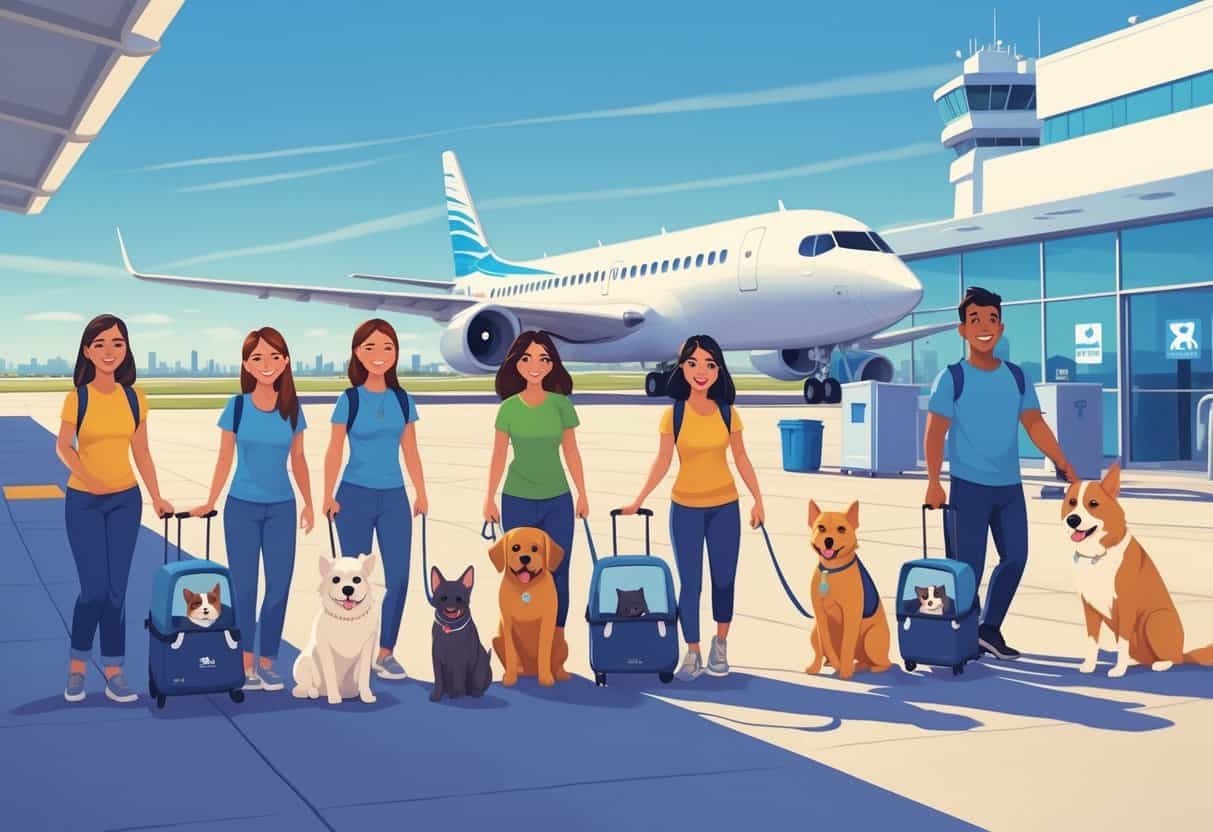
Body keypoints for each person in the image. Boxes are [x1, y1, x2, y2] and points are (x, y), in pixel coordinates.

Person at [924, 286, 1074, 660]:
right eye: (975, 320)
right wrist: (933, 482)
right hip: (967, 488)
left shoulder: (1017, 377)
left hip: (1008, 488)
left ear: (1001, 327)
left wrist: (1063, 461)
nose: (984, 327)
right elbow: (935, 432)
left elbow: (1035, 425)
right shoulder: (952, 377)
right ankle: (962, 636)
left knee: (1015, 558)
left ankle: (989, 630)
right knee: (966, 570)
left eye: (992, 319)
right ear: (963, 330)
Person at [622, 335, 765, 681]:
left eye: (710, 364)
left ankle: (721, 645)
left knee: (724, 581)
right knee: (690, 584)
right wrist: (638, 500)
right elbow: (662, 461)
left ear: (719, 370)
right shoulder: (674, 415)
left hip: (725, 508)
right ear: (682, 367)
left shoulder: (728, 413)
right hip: (685, 508)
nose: (701, 372)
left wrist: (758, 499)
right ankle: (694, 651)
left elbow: (741, 458)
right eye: (693, 364)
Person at [56, 314, 174, 703]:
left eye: (118, 343)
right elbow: (63, 446)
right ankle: (76, 666)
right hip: (84, 501)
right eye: (101, 344)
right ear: (87, 351)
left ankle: (114, 669)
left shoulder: (135, 398)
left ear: (127, 349)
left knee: (116, 593)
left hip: (125, 501)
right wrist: (88, 478)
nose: (110, 352)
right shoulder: (78, 397)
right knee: (93, 591)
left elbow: (142, 451)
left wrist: (157, 496)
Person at [191, 327, 313, 691]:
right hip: (241, 508)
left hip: (282, 508)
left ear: (286, 361)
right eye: (257, 357)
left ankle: (268, 661)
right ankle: (245, 663)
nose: (267, 364)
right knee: (244, 589)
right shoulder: (237, 406)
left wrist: (308, 502)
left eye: (275, 356)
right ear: (246, 363)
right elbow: (224, 457)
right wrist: (211, 500)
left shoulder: (292, 408)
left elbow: (300, 459)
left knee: (279, 587)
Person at [321, 319, 429, 681]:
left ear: (396, 353)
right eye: (370, 348)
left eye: (387, 348)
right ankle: (351, 654)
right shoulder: (349, 399)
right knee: (353, 584)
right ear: (357, 353)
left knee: (398, 578)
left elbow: (410, 450)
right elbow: (334, 450)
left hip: (395, 496)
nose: (379, 356)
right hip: (353, 497)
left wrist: (421, 491)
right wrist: (327, 494)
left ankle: (386, 652)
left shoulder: (403, 399)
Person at [483, 331, 588, 678]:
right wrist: (488, 497)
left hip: (558, 499)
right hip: (517, 499)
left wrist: (582, 492)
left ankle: (554, 654)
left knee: (558, 575)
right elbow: (499, 455)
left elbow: (571, 451)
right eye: (527, 358)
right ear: (516, 363)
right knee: (519, 579)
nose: (536, 366)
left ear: (552, 365)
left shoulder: (561, 405)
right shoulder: (508, 409)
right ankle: (519, 653)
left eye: (544, 359)